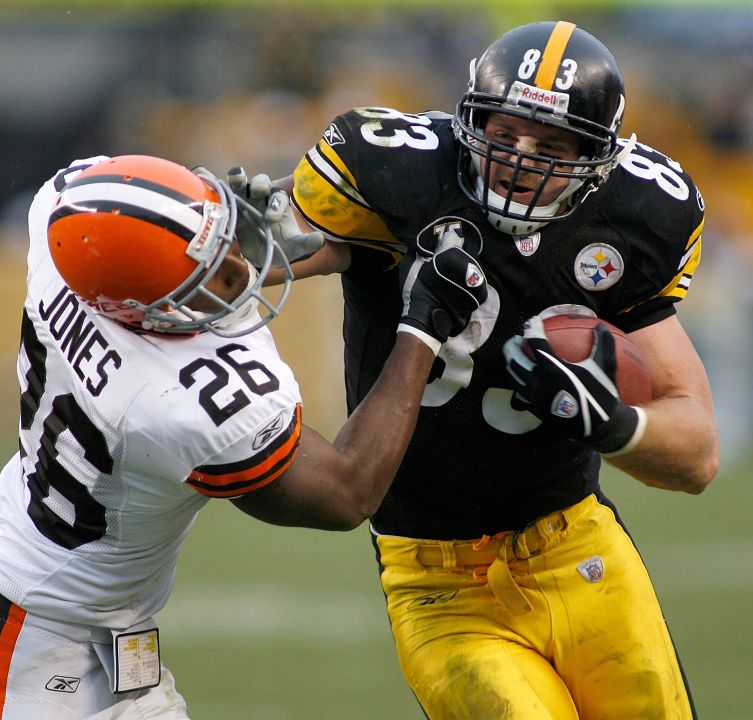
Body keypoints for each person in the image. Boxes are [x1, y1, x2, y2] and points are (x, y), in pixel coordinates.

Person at [229, 20, 719, 719]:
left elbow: (697, 452)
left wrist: (609, 422)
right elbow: (253, 262)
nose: (519, 158)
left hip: (577, 548)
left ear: (597, 158)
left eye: (551, 146)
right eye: (504, 132)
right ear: (469, 120)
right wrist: (233, 240)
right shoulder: (400, 178)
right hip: (436, 582)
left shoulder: (637, 216)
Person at [0, 154, 487, 719]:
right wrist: (422, 328)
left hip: (80, 637)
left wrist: (228, 228)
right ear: (141, 312)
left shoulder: (67, 220)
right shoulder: (169, 404)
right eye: (209, 278)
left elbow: (140, 214)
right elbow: (348, 492)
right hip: (9, 660)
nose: (238, 268)